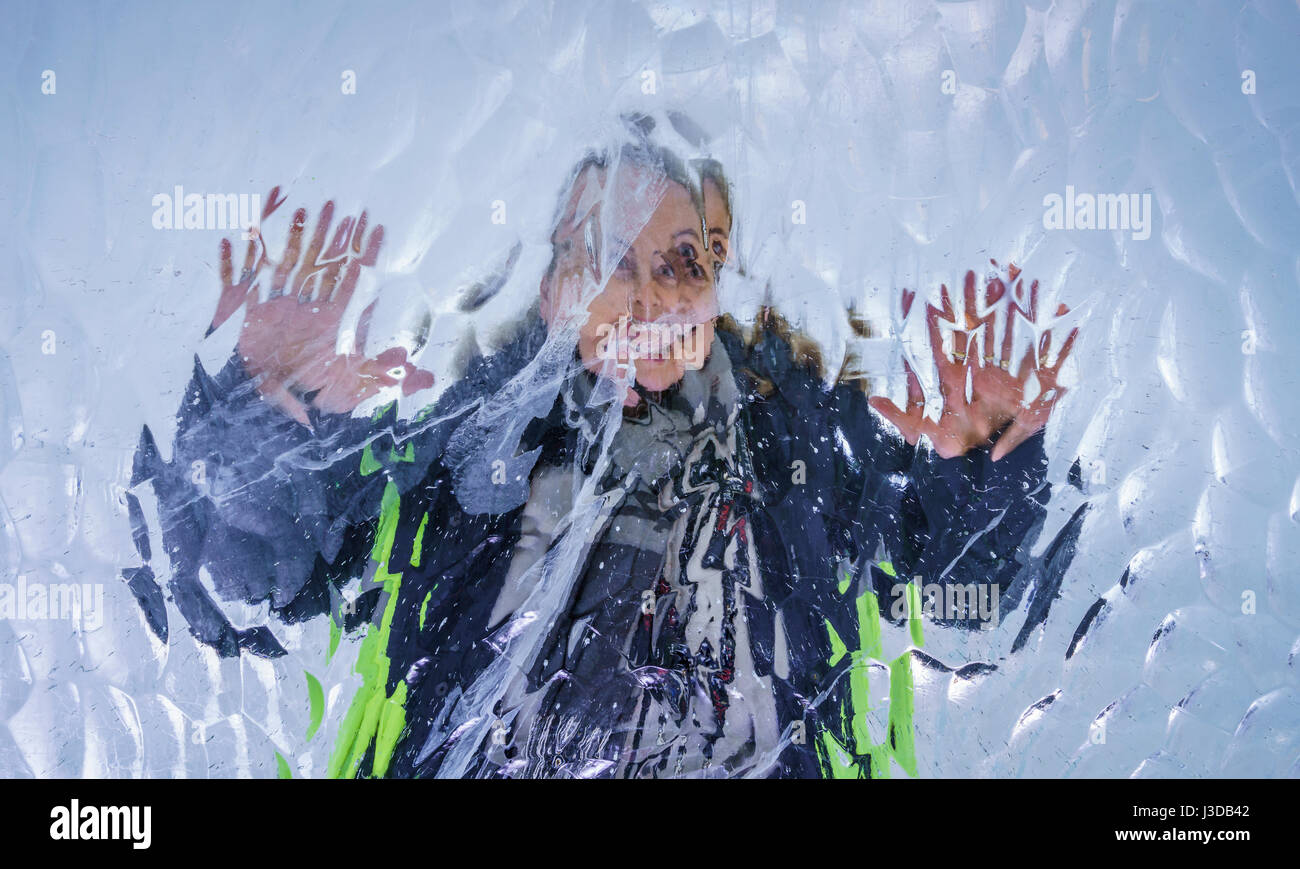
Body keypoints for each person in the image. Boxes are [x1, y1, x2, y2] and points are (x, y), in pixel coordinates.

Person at [127, 114, 1077, 778]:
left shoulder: (807, 447)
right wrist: (274, 417)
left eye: (683, 264)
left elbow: (977, 602)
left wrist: (985, 468)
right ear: (552, 285)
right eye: (611, 262)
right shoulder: (463, 448)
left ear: (719, 288)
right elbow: (251, 587)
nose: (653, 299)